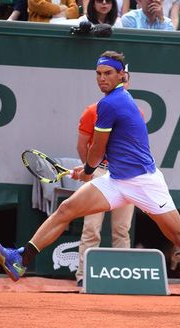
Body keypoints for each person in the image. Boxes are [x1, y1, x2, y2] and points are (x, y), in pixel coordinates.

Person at [0, 50, 180, 304]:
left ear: (122, 75)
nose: (102, 78)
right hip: (116, 180)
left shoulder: (112, 103)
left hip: (144, 183)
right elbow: (110, 149)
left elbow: (98, 148)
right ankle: (20, 260)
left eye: (108, 73)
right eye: (99, 74)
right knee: (66, 209)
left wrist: (88, 170)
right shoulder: (116, 100)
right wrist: (89, 169)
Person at [75, 68, 135, 286]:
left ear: (125, 80)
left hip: (126, 175)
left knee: (122, 229)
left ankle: (124, 278)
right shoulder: (92, 111)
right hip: (99, 173)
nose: (122, 84)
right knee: (91, 228)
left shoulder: (134, 111)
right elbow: (82, 145)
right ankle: (84, 276)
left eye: (126, 80)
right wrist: (90, 170)